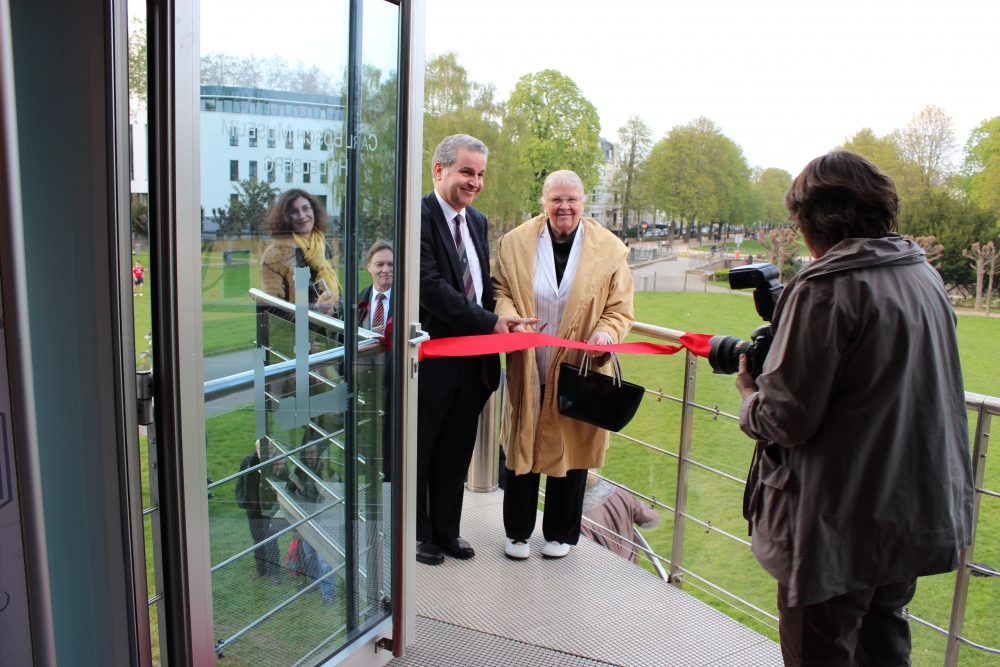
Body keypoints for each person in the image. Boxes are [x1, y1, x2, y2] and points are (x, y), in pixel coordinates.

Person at [736, 151, 974, 666]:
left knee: (818, 652)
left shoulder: (827, 287)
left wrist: (749, 395)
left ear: (815, 219)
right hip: (905, 508)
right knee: (884, 645)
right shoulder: (920, 273)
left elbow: (786, 418)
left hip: (836, 520)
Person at [493, 169, 635, 560]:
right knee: (523, 445)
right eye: (556, 199)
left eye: (571, 199)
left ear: (583, 202)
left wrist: (606, 335)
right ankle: (518, 533)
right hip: (529, 361)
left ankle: (560, 534)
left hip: (580, 366)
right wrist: (508, 315)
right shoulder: (516, 243)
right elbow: (500, 291)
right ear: (544, 201)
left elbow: (619, 309)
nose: (564, 206)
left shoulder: (610, 250)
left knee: (570, 451)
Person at [416, 134, 534, 566]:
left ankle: (448, 531)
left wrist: (501, 321)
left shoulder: (478, 222)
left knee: (456, 452)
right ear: (439, 170)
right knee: (423, 451)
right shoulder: (418, 217)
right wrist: (490, 323)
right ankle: (420, 534)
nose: (475, 182)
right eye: (467, 172)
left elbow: (480, 289)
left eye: (480, 174)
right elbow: (430, 287)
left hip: (476, 364)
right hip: (434, 361)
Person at [260, 188, 342, 315]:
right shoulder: (274, 255)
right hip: (297, 333)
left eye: (305, 208)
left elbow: (339, 296)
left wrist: (333, 308)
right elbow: (273, 310)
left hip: (329, 331)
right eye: (294, 211)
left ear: (313, 210)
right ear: (285, 218)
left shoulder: (324, 246)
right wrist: (317, 311)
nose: (302, 215)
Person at [358, 239, 393, 480]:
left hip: (395, 386)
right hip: (365, 385)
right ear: (369, 266)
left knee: (391, 441)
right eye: (379, 264)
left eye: (391, 264)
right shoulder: (358, 300)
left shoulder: (411, 301)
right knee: (367, 442)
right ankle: (370, 478)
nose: (386, 269)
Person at [287, 439, 337, 606]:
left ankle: (328, 594)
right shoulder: (298, 471)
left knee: (324, 558)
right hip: (306, 520)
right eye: (307, 453)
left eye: (312, 452)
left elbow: (334, 496)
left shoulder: (327, 472)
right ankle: (316, 584)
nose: (310, 456)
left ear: (317, 454)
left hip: (324, 521)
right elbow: (289, 492)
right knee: (309, 555)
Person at [235, 439, 287, 585]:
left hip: (270, 508)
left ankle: (274, 573)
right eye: (261, 451)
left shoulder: (278, 460)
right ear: (256, 449)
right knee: (257, 540)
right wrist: (242, 501)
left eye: (268, 452)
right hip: (254, 507)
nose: (264, 455)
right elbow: (240, 482)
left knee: (272, 541)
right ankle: (261, 569)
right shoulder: (248, 461)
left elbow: (286, 481)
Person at [580, 474, 659, 564]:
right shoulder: (619, 491)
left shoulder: (576, 517)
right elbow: (652, 518)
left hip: (602, 574)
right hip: (629, 568)